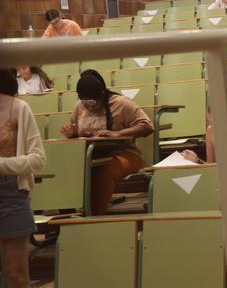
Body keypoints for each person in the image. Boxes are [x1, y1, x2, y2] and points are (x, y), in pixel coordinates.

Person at [61, 70, 153, 215]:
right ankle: (68, 215)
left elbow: (147, 126)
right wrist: (72, 133)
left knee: (104, 169)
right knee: (68, 169)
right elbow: (77, 131)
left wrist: (118, 133)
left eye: (92, 102)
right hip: (91, 156)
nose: (88, 106)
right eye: (84, 102)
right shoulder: (79, 106)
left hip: (125, 154)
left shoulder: (121, 103)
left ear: (102, 95)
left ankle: (97, 217)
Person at [0, 68, 46, 288]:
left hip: (11, 191)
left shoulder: (19, 108)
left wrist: (2, 165)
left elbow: (38, 158)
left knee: (16, 275)